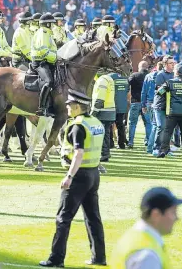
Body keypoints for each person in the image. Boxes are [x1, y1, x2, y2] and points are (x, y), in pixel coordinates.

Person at [39, 90, 106, 267]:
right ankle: (99, 257)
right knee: (93, 217)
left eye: (69, 105)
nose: (67, 107)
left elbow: (79, 153)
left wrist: (69, 176)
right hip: (93, 174)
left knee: (63, 217)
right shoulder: (95, 123)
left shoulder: (78, 126)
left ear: (77, 107)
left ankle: (56, 259)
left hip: (79, 175)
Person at [111, 187, 182, 269]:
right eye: (173, 212)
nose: (176, 218)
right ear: (156, 214)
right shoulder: (147, 256)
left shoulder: (134, 237)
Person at [156, 65, 182, 158]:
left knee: (167, 132)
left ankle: (163, 151)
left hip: (172, 111)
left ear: (176, 72)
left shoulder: (170, 82)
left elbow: (159, 92)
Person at [31, 13, 58, 117]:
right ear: (47, 24)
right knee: (49, 81)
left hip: (48, 61)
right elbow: (43, 51)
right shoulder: (42, 32)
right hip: (39, 63)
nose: (53, 25)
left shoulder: (47, 33)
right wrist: (56, 58)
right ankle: (41, 108)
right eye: (52, 23)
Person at [152, 56, 175, 157]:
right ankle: (156, 147)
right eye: (171, 63)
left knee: (169, 128)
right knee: (161, 126)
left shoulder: (175, 75)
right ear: (165, 64)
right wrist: (167, 87)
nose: (173, 65)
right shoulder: (160, 75)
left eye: (173, 63)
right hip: (160, 105)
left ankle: (166, 149)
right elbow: (159, 91)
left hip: (170, 105)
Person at [92, 73, 116, 164]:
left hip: (102, 111)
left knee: (99, 134)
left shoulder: (102, 80)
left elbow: (100, 98)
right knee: (105, 134)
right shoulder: (109, 79)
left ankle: (102, 154)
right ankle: (105, 153)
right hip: (110, 110)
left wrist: (93, 112)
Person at [128, 61, 151, 148]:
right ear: (147, 67)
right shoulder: (150, 76)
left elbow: (128, 83)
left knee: (132, 123)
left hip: (135, 102)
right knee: (148, 123)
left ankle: (130, 142)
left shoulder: (134, 75)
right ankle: (148, 141)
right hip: (146, 103)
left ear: (139, 67)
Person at [142, 61, 164, 154]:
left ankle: (150, 147)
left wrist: (143, 104)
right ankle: (155, 147)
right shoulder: (163, 77)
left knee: (153, 126)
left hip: (149, 102)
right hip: (159, 103)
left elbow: (144, 91)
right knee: (158, 127)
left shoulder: (148, 76)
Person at [109, 71, 129, 149]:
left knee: (110, 125)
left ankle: (111, 144)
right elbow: (128, 92)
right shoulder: (125, 77)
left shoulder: (110, 76)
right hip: (122, 105)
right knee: (120, 125)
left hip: (111, 104)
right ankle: (121, 144)